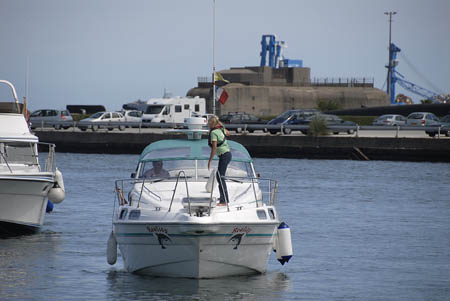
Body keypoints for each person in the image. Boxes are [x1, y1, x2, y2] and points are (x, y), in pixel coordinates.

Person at [207, 115, 232, 206]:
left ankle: (224, 200)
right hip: (227, 154)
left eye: (209, 124)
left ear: (211, 124)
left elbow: (214, 148)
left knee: (220, 177)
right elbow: (228, 133)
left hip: (224, 155)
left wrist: (210, 161)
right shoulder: (221, 130)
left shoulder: (214, 133)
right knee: (219, 176)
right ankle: (223, 197)